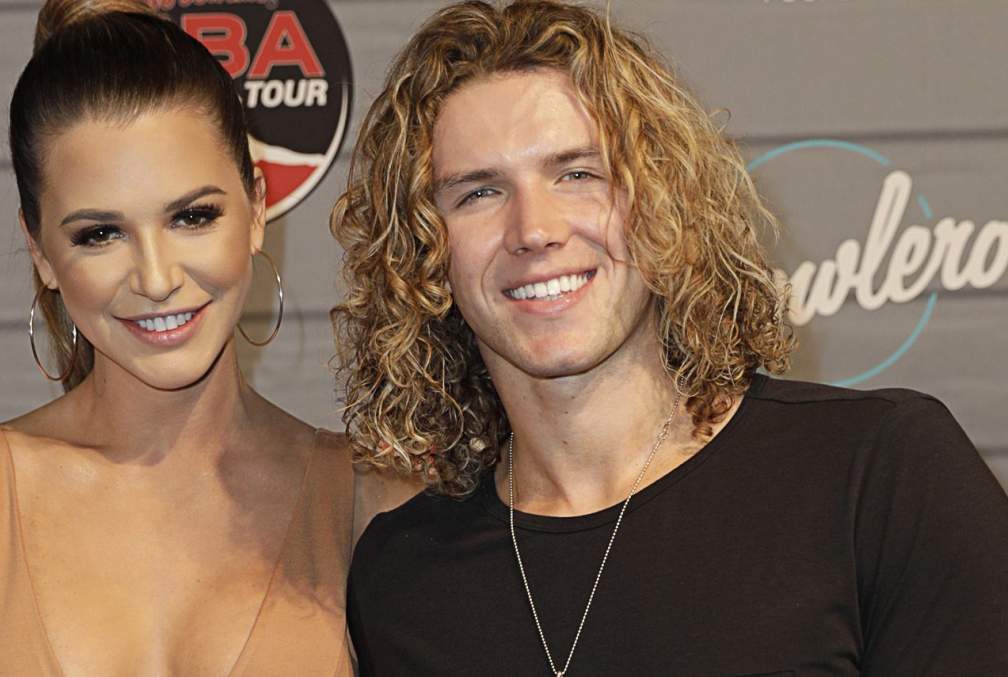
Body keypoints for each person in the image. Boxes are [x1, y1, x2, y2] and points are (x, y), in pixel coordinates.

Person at [332, 1, 1008, 674]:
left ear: (661, 202)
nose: (534, 229)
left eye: (578, 174)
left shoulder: (881, 475)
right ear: (423, 252)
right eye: (479, 192)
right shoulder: (401, 574)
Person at [0, 1, 409, 674]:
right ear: (40, 252)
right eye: (100, 234)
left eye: (192, 216)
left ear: (258, 208)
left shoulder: (369, 506)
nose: (156, 278)